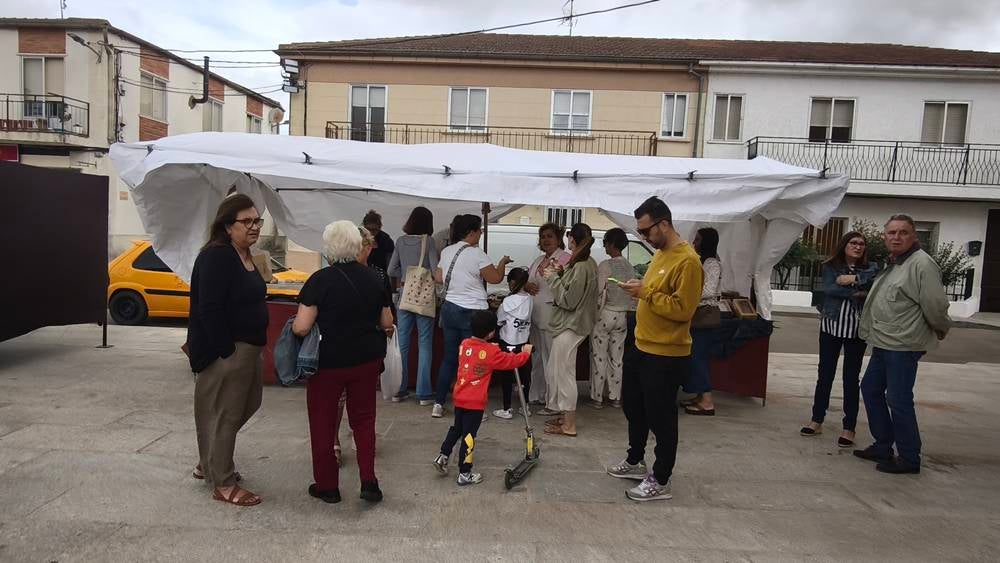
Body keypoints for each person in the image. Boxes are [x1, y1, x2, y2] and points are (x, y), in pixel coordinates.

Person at [607, 196, 702, 502]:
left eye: (646, 231)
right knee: (633, 405)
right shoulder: (660, 254)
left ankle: (661, 479)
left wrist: (645, 292)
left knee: (661, 418)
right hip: (642, 344)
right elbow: (655, 293)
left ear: (664, 224)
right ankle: (635, 460)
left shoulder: (688, 260)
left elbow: (683, 310)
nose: (643, 237)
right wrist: (640, 287)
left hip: (666, 352)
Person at [292, 221, 395, 504]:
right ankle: (369, 481)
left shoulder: (319, 280)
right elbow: (387, 322)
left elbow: (301, 327)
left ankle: (327, 486)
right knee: (364, 421)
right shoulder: (375, 278)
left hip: (328, 363)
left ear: (328, 249)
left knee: (323, 422)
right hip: (366, 360)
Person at [188, 194, 269, 507]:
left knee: (247, 404)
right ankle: (222, 480)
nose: (254, 227)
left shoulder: (244, 254)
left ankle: (209, 458)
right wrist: (226, 352)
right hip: (229, 351)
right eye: (246, 221)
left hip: (248, 349)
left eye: (256, 220)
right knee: (226, 412)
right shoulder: (217, 256)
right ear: (227, 225)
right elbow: (208, 308)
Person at [855, 214, 951, 475]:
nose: (896, 237)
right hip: (884, 341)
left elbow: (935, 305)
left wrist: (941, 328)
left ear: (914, 236)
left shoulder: (922, 264)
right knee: (871, 389)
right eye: (892, 232)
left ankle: (909, 457)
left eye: (903, 232)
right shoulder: (896, 262)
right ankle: (883, 445)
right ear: (884, 236)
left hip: (904, 344)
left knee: (898, 399)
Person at [432, 311, 532, 485]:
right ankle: (465, 473)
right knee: (469, 436)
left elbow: (479, 353)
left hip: (460, 397)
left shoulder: (464, 345)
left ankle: (443, 456)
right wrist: (525, 353)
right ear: (492, 332)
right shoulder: (491, 352)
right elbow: (511, 362)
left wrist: (489, 346)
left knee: (457, 429)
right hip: (475, 402)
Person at [800, 231, 877, 447]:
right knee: (825, 375)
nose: (858, 246)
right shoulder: (830, 267)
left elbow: (873, 287)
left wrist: (852, 279)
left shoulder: (870, 268)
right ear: (844, 245)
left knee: (851, 379)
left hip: (856, 330)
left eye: (862, 243)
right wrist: (858, 292)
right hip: (831, 326)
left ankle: (849, 427)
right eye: (853, 243)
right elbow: (830, 289)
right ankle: (817, 420)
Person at [432, 214, 512, 418]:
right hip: (473, 313)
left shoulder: (447, 250)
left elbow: (439, 278)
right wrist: (503, 262)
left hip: (450, 309)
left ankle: (439, 404)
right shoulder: (478, 254)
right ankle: (469, 406)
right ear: (472, 232)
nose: (481, 233)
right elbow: (494, 278)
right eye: (480, 230)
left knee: (450, 358)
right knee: (473, 361)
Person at [539, 223, 599, 438]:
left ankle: (569, 423)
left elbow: (568, 300)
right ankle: (565, 417)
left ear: (572, 239)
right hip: (572, 323)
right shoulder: (584, 263)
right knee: (557, 370)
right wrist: (560, 273)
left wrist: (553, 278)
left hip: (571, 324)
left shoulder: (583, 265)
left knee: (564, 373)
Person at [387, 206, 439, 404]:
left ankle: (399, 389)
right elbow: (435, 270)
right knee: (425, 344)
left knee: (403, 343)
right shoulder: (429, 241)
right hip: (424, 297)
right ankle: (424, 393)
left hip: (404, 296)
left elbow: (391, 269)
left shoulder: (400, 241)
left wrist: (405, 277)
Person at [588, 228, 637, 410]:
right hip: (622, 316)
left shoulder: (605, 266)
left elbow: (599, 290)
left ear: (611, 243)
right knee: (617, 357)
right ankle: (615, 396)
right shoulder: (629, 266)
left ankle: (598, 397)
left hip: (604, 314)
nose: (605, 247)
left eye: (606, 243)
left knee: (599, 356)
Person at [524, 223, 572, 406]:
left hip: (552, 314)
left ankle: (552, 399)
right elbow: (527, 281)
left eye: (550, 236)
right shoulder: (538, 260)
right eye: (543, 236)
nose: (545, 240)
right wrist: (527, 285)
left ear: (559, 238)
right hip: (535, 315)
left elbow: (567, 285)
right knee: (537, 356)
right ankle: (537, 394)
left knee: (551, 358)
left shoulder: (565, 258)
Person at [682, 227, 723, 416]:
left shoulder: (712, 263)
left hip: (704, 316)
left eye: (697, 240)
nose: (694, 243)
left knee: (698, 358)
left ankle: (707, 401)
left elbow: (709, 291)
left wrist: (688, 296)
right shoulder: (704, 262)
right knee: (695, 356)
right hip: (698, 315)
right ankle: (700, 395)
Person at [493, 267, 533, 419]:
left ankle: (507, 408)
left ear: (512, 282)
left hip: (507, 342)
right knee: (525, 375)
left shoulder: (507, 302)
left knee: (506, 377)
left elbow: (499, 320)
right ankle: (525, 406)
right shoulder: (529, 300)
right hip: (523, 342)